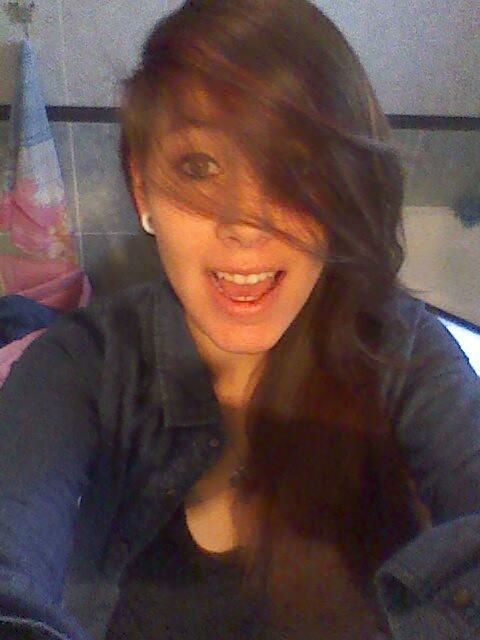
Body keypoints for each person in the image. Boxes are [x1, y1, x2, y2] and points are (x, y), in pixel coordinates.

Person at [0, 0, 479, 638]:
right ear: (143, 190)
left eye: (294, 167)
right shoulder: (79, 365)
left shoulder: (404, 348)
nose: (246, 226)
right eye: (199, 167)